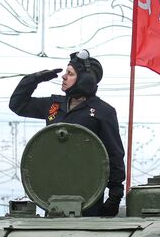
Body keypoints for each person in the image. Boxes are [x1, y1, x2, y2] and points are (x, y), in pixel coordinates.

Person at [9, 50, 127, 216]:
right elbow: (18, 105)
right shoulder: (54, 105)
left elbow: (114, 154)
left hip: (88, 197)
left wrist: (115, 196)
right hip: (54, 196)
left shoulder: (102, 112)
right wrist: (34, 79)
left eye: (70, 73)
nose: (64, 76)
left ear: (85, 81)